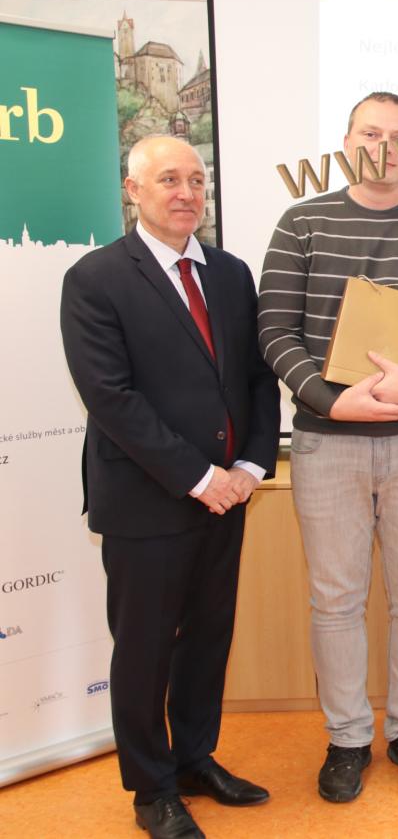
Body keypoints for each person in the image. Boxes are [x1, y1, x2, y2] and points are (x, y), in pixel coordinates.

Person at [257, 92, 398, 802]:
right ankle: (347, 735)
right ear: (347, 141)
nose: (385, 147)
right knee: (335, 600)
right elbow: (273, 329)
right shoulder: (302, 222)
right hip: (327, 443)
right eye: (371, 133)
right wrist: (329, 398)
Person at [60, 135, 280, 839]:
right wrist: (198, 477)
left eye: (196, 179)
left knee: (208, 638)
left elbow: (257, 378)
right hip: (147, 500)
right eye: (168, 180)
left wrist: (250, 466)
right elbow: (111, 397)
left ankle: (192, 760)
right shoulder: (96, 278)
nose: (187, 193)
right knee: (146, 647)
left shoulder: (231, 273)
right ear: (133, 191)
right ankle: (151, 788)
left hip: (228, 496)